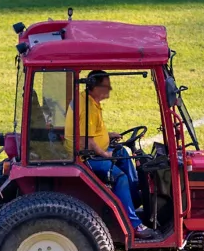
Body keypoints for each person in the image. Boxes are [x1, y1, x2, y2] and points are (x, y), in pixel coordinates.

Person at [64, 70, 153, 240]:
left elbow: (92, 132)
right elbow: (87, 141)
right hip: (86, 157)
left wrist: (108, 135)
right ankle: (134, 225)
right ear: (93, 87)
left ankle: (132, 201)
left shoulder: (89, 100)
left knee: (123, 153)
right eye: (106, 86)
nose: (109, 89)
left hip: (92, 150)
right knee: (119, 177)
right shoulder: (87, 107)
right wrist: (104, 154)